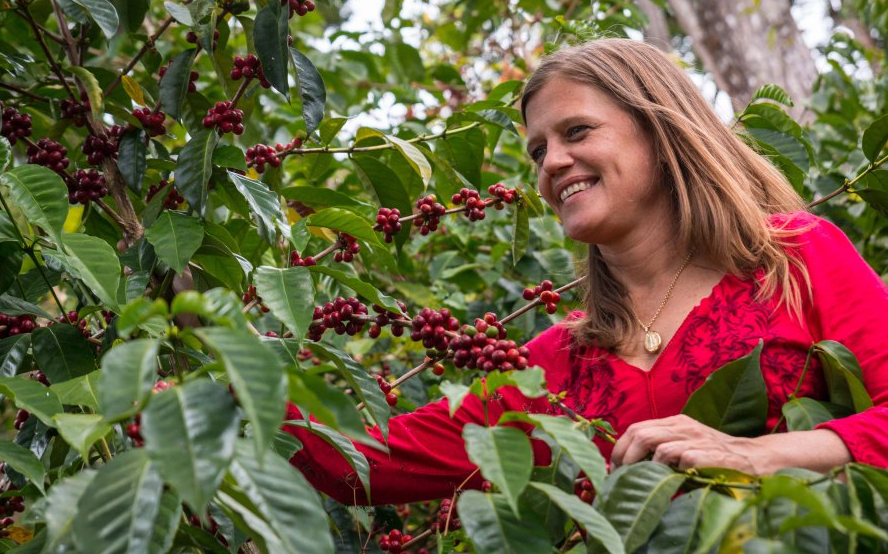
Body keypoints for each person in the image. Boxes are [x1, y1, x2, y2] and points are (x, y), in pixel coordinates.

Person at [287, 38, 888, 506]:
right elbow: (358, 465)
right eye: (538, 151)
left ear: (662, 132)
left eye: (576, 132)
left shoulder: (795, 260)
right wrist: (233, 359)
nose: (553, 163)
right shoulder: (553, 366)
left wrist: (762, 455)